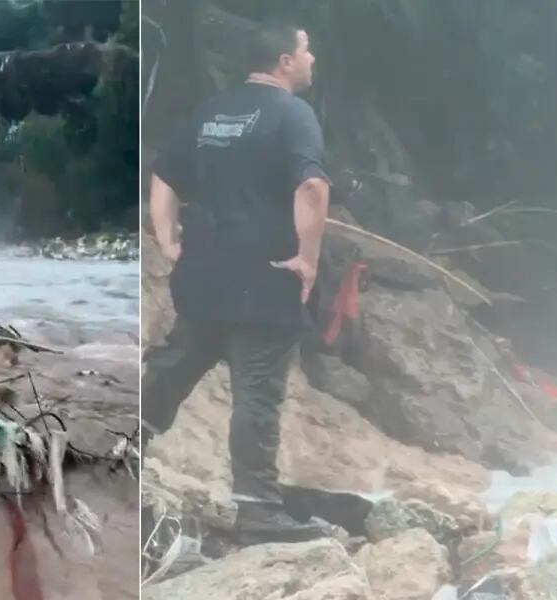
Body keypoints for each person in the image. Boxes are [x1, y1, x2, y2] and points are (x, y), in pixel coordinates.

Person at [142, 23, 332, 539]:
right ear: (284, 61)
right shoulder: (294, 115)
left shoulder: (212, 111)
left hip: (203, 277)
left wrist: (167, 239)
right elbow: (312, 187)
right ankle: (257, 512)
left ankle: (120, 453)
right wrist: (308, 260)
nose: (312, 57)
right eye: (306, 49)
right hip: (266, 283)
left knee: (169, 371)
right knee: (256, 397)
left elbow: (163, 175)